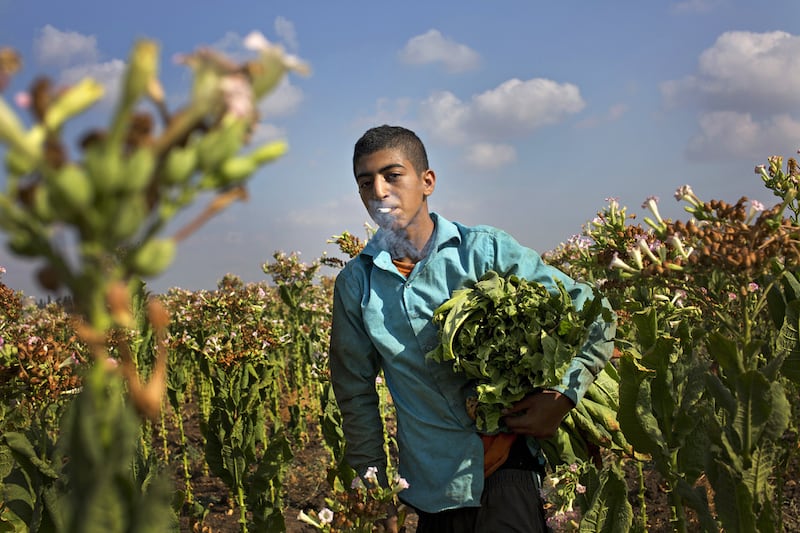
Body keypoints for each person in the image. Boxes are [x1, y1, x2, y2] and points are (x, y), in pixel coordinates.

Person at [329, 125, 616, 532]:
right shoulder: (357, 284)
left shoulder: (486, 251)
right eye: (365, 182)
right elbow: (355, 393)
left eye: (392, 175)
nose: (378, 190)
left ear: (427, 181)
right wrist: (374, 494)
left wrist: (563, 394)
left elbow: (594, 312)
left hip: (510, 470)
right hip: (432, 488)